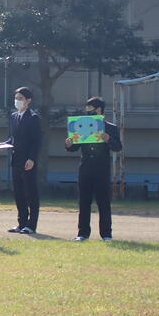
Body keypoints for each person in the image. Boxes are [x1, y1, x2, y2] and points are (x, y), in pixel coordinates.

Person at [65, 97, 122, 241]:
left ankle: (106, 234)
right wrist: (69, 144)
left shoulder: (110, 127)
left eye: (90, 109)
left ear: (99, 109)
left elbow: (118, 147)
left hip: (102, 169)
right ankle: (82, 233)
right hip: (85, 168)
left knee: (104, 202)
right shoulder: (81, 125)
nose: (88, 112)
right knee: (84, 202)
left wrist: (108, 139)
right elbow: (74, 148)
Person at [1, 87, 41, 234]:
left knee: (31, 193)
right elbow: (13, 138)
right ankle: (21, 223)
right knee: (19, 193)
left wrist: (32, 158)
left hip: (27, 161)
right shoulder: (14, 116)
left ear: (28, 100)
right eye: (16, 98)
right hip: (16, 160)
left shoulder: (33, 117)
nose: (17, 101)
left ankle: (31, 225)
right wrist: (4, 144)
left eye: (20, 98)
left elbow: (37, 141)